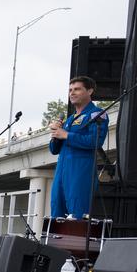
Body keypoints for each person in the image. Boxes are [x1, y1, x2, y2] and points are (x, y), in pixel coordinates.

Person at [49, 75, 108, 219]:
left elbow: (95, 141)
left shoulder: (96, 114)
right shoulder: (69, 119)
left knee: (76, 214)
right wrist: (55, 135)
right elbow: (54, 150)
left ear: (89, 91)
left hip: (80, 172)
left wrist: (67, 135)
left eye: (77, 89)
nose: (72, 93)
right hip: (61, 172)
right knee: (57, 211)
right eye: (70, 90)